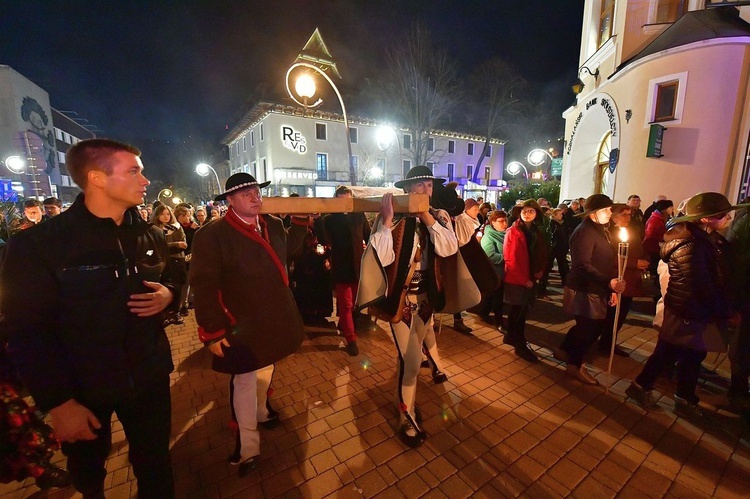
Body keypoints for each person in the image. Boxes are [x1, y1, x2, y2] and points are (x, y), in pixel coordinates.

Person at [0, 138, 176, 498]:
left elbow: (175, 276)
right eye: (133, 171)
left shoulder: (151, 234)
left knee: (156, 465)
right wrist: (60, 404)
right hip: (83, 388)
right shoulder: (39, 245)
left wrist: (169, 294)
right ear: (97, 178)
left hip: (148, 376)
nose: (145, 180)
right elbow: (27, 332)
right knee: (88, 472)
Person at [189, 173, 305, 476]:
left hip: (274, 316)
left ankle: (262, 410)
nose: (255, 197)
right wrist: (212, 330)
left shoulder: (274, 225)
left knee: (268, 367)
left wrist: (303, 223)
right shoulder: (212, 235)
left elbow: (286, 254)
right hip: (240, 322)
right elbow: (204, 286)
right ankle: (248, 446)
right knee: (243, 380)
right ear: (229, 200)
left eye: (256, 191)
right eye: (246, 194)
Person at [358, 165, 459, 448]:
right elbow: (382, 258)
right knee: (411, 360)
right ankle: (406, 415)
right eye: (419, 186)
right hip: (401, 301)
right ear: (406, 190)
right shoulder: (391, 218)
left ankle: (410, 400)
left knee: (418, 348)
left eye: (429, 185)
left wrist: (426, 216)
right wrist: (387, 222)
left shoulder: (439, 217)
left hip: (427, 300)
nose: (425, 189)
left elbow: (448, 249)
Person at [626, 193, 745, 419]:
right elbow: (701, 285)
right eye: (722, 215)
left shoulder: (703, 241)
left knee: (689, 355)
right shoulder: (691, 245)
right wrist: (725, 311)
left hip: (692, 311)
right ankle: (644, 387)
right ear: (706, 219)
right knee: (668, 353)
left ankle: (682, 396)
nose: (728, 218)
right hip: (687, 311)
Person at [559, 194, 625, 385]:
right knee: (588, 329)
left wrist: (610, 288)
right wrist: (609, 283)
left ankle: (565, 351)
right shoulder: (584, 232)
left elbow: (605, 260)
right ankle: (575, 365)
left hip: (598, 287)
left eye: (610, 209)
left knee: (588, 327)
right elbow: (582, 265)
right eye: (606, 209)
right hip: (584, 288)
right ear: (593, 213)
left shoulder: (602, 229)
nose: (610, 213)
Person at [319, 185, 371, 356]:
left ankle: (344, 325)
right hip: (341, 267)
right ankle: (351, 339)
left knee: (353, 304)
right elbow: (325, 239)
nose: (345, 205)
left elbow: (368, 236)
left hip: (357, 266)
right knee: (346, 305)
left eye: (348, 201)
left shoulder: (358, 215)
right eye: (342, 201)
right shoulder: (330, 219)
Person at [502, 199, 549, 363]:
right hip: (517, 279)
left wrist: (539, 272)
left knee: (519, 311)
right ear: (519, 213)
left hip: (530, 277)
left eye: (531, 211)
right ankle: (519, 343)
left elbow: (541, 253)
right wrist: (524, 280)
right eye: (525, 211)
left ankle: (510, 337)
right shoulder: (513, 231)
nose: (528, 214)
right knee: (518, 312)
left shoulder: (536, 231)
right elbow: (511, 259)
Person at [600, 204, 648, 356]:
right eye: (624, 214)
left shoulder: (631, 231)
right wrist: (635, 263)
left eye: (629, 214)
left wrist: (645, 260)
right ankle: (606, 343)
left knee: (621, 314)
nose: (628, 217)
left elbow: (640, 248)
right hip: (618, 278)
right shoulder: (609, 234)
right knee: (612, 315)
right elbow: (609, 258)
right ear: (614, 217)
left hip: (631, 280)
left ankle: (610, 342)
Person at [151, 205, 187, 326]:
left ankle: (175, 313)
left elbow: (183, 245)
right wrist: (175, 244)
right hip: (163, 262)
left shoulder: (177, 227)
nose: (166, 217)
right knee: (164, 286)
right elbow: (157, 247)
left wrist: (168, 246)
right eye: (162, 214)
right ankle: (165, 314)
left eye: (168, 214)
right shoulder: (154, 229)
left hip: (177, 261)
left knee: (177, 286)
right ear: (157, 215)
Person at [451, 198, 481, 334]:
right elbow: (462, 240)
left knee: (457, 289)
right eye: (475, 209)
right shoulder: (462, 220)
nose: (477, 212)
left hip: (461, 257)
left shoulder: (467, 221)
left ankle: (457, 318)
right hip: (457, 257)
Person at [480, 210, 508, 331]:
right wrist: (507, 258)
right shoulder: (488, 236)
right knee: (498, 298)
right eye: (501, 221)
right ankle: (499, 321)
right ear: (493, 222)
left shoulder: (506, 234)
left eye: (506, 221)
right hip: (496, 273)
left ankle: (484, 312)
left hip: (505, 272)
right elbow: (490, 256)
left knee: (492, 295)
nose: (505, 224)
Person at [538, 207, 570, 296]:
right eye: (560, 214)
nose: (562, 216)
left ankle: (566, 284)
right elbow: (551, 238)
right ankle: (541, 290)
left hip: (559, 249)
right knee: (547, 269)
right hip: (553, 250)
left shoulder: (560, 224)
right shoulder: (552, 225)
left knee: (563, 267)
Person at [643, 199, 674, 272]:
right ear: (664, 209)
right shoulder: (655, 220)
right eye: (670, 208)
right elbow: (650, 236)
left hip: (657, 248)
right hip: (654, 250)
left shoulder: (661, 218)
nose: (672, 210)